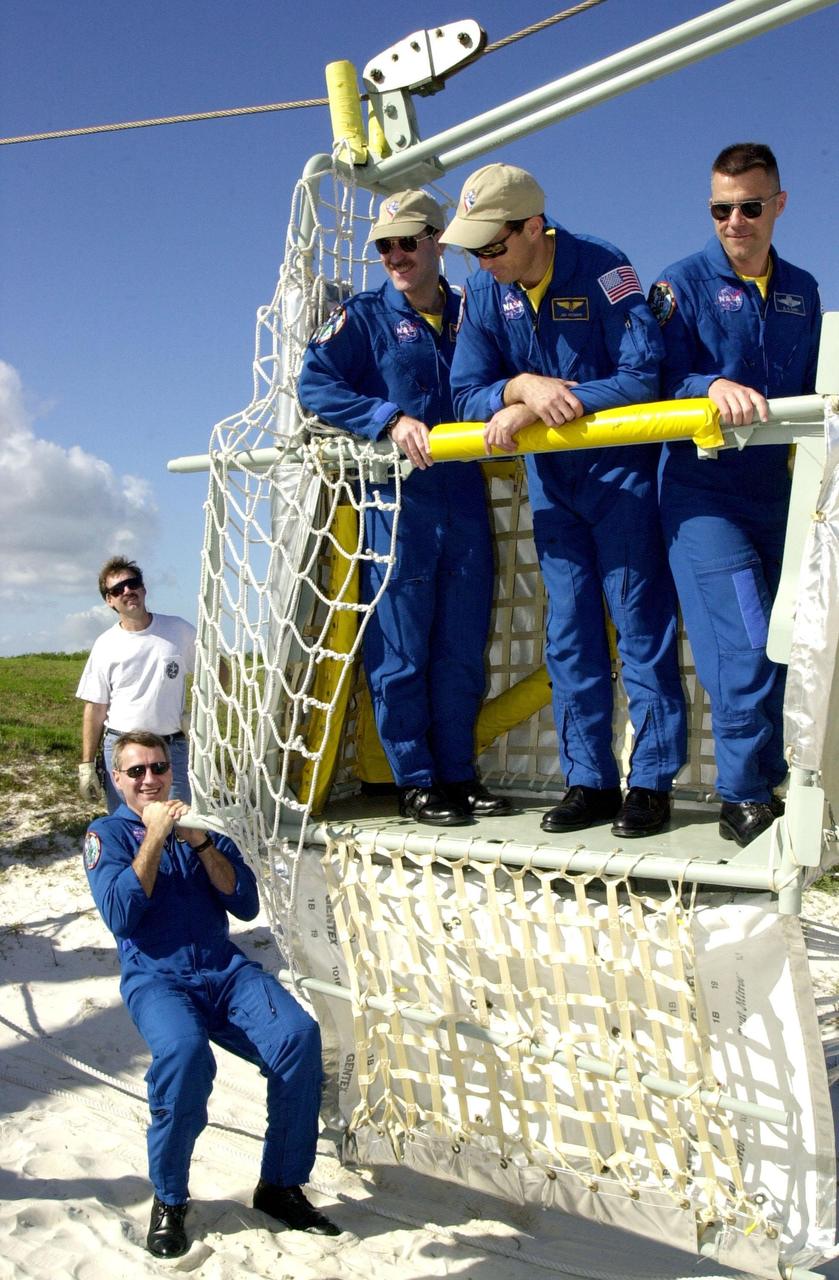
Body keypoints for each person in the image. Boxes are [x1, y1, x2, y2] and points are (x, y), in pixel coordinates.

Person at [442, 162, 686, 838]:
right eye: (473, 250)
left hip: (621, 480)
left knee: (639, 629)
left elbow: (645, 375)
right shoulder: (484, 297)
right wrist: (520, 387)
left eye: (492, 246)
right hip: (552, 487)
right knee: (569, 636)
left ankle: (652, 783)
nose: (482, 262)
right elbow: (466, 394)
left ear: (531, 228)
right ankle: (589, 783)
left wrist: (552, 405)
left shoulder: (607, 268)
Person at [297, 188, 510, 827]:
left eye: (408, 242)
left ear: (437, 243)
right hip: (396, 504)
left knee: (462, 647)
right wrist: (385, 418)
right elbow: (314, 383)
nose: (395, 255)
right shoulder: (363, 317)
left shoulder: (477, 313)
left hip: (465, 498)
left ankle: (458, 777)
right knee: (401, 647)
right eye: (385, 246)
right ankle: (415, 781)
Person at [83, 730, 339, 1257]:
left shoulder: (203, 828)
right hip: (158, 978)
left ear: (171, 772)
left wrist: (198, 841)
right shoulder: (105, 836)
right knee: (183, 1056)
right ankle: (171, 1199)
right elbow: (121, 917)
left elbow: (244, 903)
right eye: (137, 772)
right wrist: (153, 837)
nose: (150, 779)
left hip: (224, 971)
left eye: (158, 768)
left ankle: (281, 1186)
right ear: (118, 779)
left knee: (298, 1036)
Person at [649, 142, 822, 847]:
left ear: (777, 205)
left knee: (791, 641)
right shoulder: (679, 284)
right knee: (746, 644)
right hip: (701, 496)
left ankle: (779, 781)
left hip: (775, 493)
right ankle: (741, 798)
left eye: (749, 207)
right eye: (721, 209)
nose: (735, 222)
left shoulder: (802, 289)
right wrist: (705, 385)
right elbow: (650, 374)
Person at [76, 557, 197, 812]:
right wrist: (86, 765)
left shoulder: (179, 630)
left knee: (177, 824)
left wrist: (197, 714)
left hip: (169, 747)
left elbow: (217, 676)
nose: (127, 591)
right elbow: (96, 708)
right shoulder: (105, 644)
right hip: (121, 748)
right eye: (117, 590)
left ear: (143, 588)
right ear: (109, 600)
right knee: (127, 825)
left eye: (132, 584)